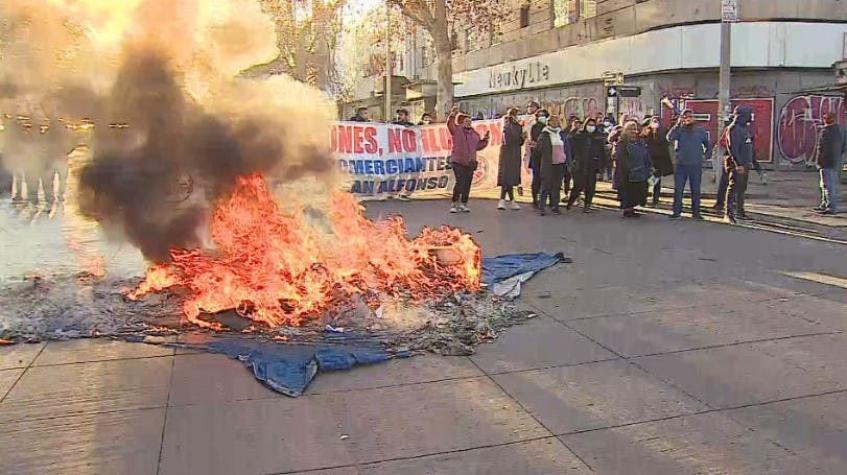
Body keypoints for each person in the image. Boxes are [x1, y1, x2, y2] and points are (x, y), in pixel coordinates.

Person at [667, 110, 711, 219]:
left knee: (695, 189)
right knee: (679, 189)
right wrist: (678, 124)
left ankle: (696, 212)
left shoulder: (700, 130)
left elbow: (708, 145)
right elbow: (669, 137)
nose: (688, 119)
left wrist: (705, 156)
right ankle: (676, 212)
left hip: (696, 164)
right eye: (685, 117)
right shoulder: (680, 130)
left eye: (690, 116)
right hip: (681, 165)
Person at [447, 106, 489, 213]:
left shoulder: (475, 134)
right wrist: (452, 115)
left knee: (467, 183)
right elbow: (450, 124)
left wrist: (485, 140)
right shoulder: (457, 130)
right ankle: (454, 203)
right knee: (460, 182)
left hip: (470, 162)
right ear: (461, 122)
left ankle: (464, 203)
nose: (468, 122)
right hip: (458, 161)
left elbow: (478, 146)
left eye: (470, 121)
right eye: (466, 121)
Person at [567, 117, 608, 213]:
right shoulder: (579, 136)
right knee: (578, 186)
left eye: (593, 125)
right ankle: (571, 201)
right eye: (589, 125)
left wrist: (601, 166)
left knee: (590, 187)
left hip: (592, 165)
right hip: (580, 165)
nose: (591, 127)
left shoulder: (598, 137)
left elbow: (602, 153)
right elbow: (572, 148)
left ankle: (587, 205)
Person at [534, 115, 572, 215]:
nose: (555, 123)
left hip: (560, 164)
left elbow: (567, 149)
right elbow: (538, 150)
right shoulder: (544, 135)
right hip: (548, 164)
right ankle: (542, 207)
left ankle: (555, 206)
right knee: (545, 186)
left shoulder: (561, 134)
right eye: (553, 121)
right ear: (548, 122)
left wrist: (568, 162)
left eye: (557, 121)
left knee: (557, 186)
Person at [615, 120, 653, 218]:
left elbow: (645, 154)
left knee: (638, 191)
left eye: (635, 129)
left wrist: (649, 166)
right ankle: (627, 210)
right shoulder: (622, 143)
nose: (633, 131)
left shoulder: (639, 141)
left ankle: (631, 208)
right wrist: (628, 169)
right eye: (630, 129)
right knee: (628, 191)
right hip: (628, 172)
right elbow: (621, 158)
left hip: (640, 170)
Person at [724, 106, 755, 224]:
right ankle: (728, 213)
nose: (751, 117)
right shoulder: (734, 129)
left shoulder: (745, 129)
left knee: (741, 189)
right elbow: (733, 148)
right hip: (737, 165)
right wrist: (738, 164)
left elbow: (749, 145)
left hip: (745, 164)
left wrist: (751, 161)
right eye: (749, 114)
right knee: (733, 188)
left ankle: (740, 212)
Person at [814, 112, 844, 215]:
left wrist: (821, 160)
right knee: (825, 185)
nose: (824, 119)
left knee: (828, 185)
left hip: (827, 162)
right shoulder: (838, 131)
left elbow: (823, 149)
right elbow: (843, 147)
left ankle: (831, 206)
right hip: (832, 161)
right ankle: (825, 204)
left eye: (826, 118)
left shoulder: (827, 131)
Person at [642, 116, 673, 208]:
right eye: (653, 121)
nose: (655, 123)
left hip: (659, 160)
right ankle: (643, 199)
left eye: (656, 121)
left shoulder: (663, 132)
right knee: (646, 180)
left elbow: (667, 142)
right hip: (648, 159)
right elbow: (643, 140)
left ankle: (655, 200)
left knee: (656, 181)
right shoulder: (647, 132)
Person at [497, 107, 525, 210]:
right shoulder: (507, 125)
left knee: (511, 178)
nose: (515, 117)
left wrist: (523, 137)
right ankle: (504, 200)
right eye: (514, 114)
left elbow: (520, 142)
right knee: (506, 177)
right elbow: (508, 140)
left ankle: (509, 200)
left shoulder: (518, 126)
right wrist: (519, 138)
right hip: (507, 153)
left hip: (515, 153)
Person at [528, 109, 549, 208]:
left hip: (546, 157)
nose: (542, 117)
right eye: (540, 115)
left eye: (543, 115)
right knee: (536, 178)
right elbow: (534, 141)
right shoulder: (535, 127)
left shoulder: (549, 128)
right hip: (537, 156)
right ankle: (535, 198)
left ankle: (543, 198)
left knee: (545, 178)